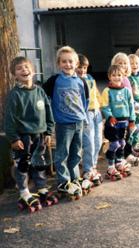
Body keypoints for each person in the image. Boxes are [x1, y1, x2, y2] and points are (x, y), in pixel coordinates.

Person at [5, 57, 57, 212]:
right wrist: (14, 138)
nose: (24, 70)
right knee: (23, 164)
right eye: (19, 68)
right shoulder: (15, 95)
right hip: (23, 137)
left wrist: (48, 131)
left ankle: (41, 188)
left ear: (33, 71)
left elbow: (48, 112)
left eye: (26, 67)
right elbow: (9, 118)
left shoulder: (40, 91)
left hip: (40, 135)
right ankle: (24, 191)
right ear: (14, 75)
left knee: (39, 163)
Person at [43, 46, 89, 199]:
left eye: (71, 61)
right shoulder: (54, 80)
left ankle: (74, 178)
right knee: (62, 153)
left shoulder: (81, 81)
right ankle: (63, 181)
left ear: (76, 63)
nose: (68, 64)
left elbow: (85, 101)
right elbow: (44, 98)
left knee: (76, 153)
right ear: (59, 63)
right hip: (63, 124)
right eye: (64, 62)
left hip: (79, 122)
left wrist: (83, 117)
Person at [101, 65, 136, 180]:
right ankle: (110, 166)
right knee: (114, 144)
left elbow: (131, 106)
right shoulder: (107, 91)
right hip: (113, 123)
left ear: (123, 76)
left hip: (124, 122)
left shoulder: (126, 91)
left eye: (119, 75)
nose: (117, 78)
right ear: (109, 76)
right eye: (114, 75)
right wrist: (110, 116)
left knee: (122, 143)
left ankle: (119, 162)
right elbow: (105, 106)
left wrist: (132, 120)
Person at [76, 54, 103, 190]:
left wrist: (101, 107)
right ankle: (87, 169)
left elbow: (96, 94)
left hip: (96, 112)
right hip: (86, 113)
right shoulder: (75, 81)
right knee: (89, 142)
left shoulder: (90, 78)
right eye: (79, 67)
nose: (82, 70)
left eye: (84, 67)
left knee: (98, 141)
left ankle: (93, 166)